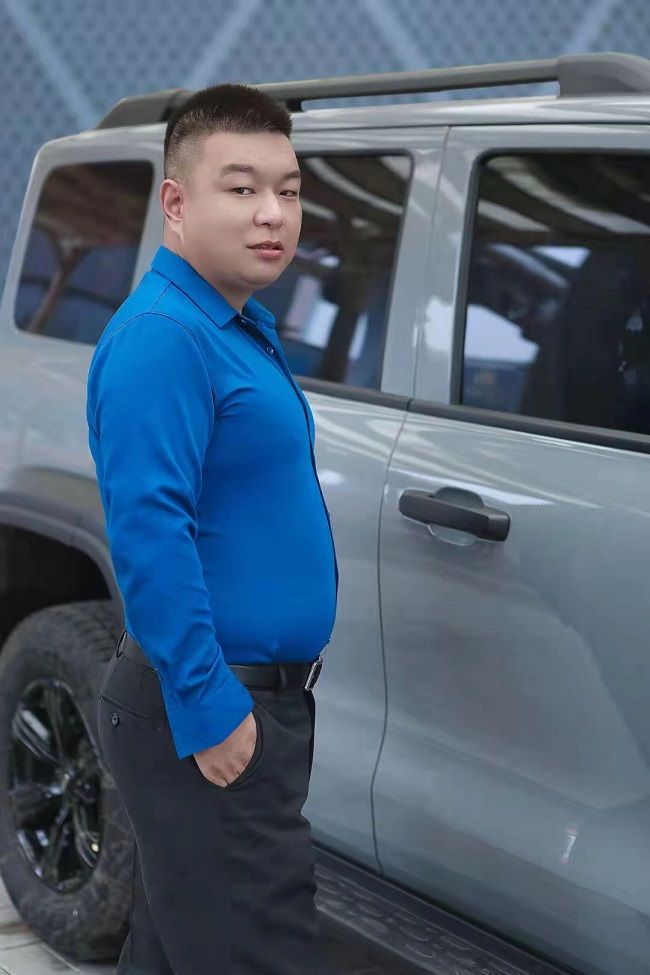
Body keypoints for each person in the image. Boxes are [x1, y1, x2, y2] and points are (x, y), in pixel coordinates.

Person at [86, 82, 339, 975]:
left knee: (176, 950)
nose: (273, 213)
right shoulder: (167, 336)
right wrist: (210, 706)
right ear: (176, 201)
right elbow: (150, 532)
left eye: (289, 190)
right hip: (208, 704)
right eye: (241, 188)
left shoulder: (231, 326)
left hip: (238, 700)